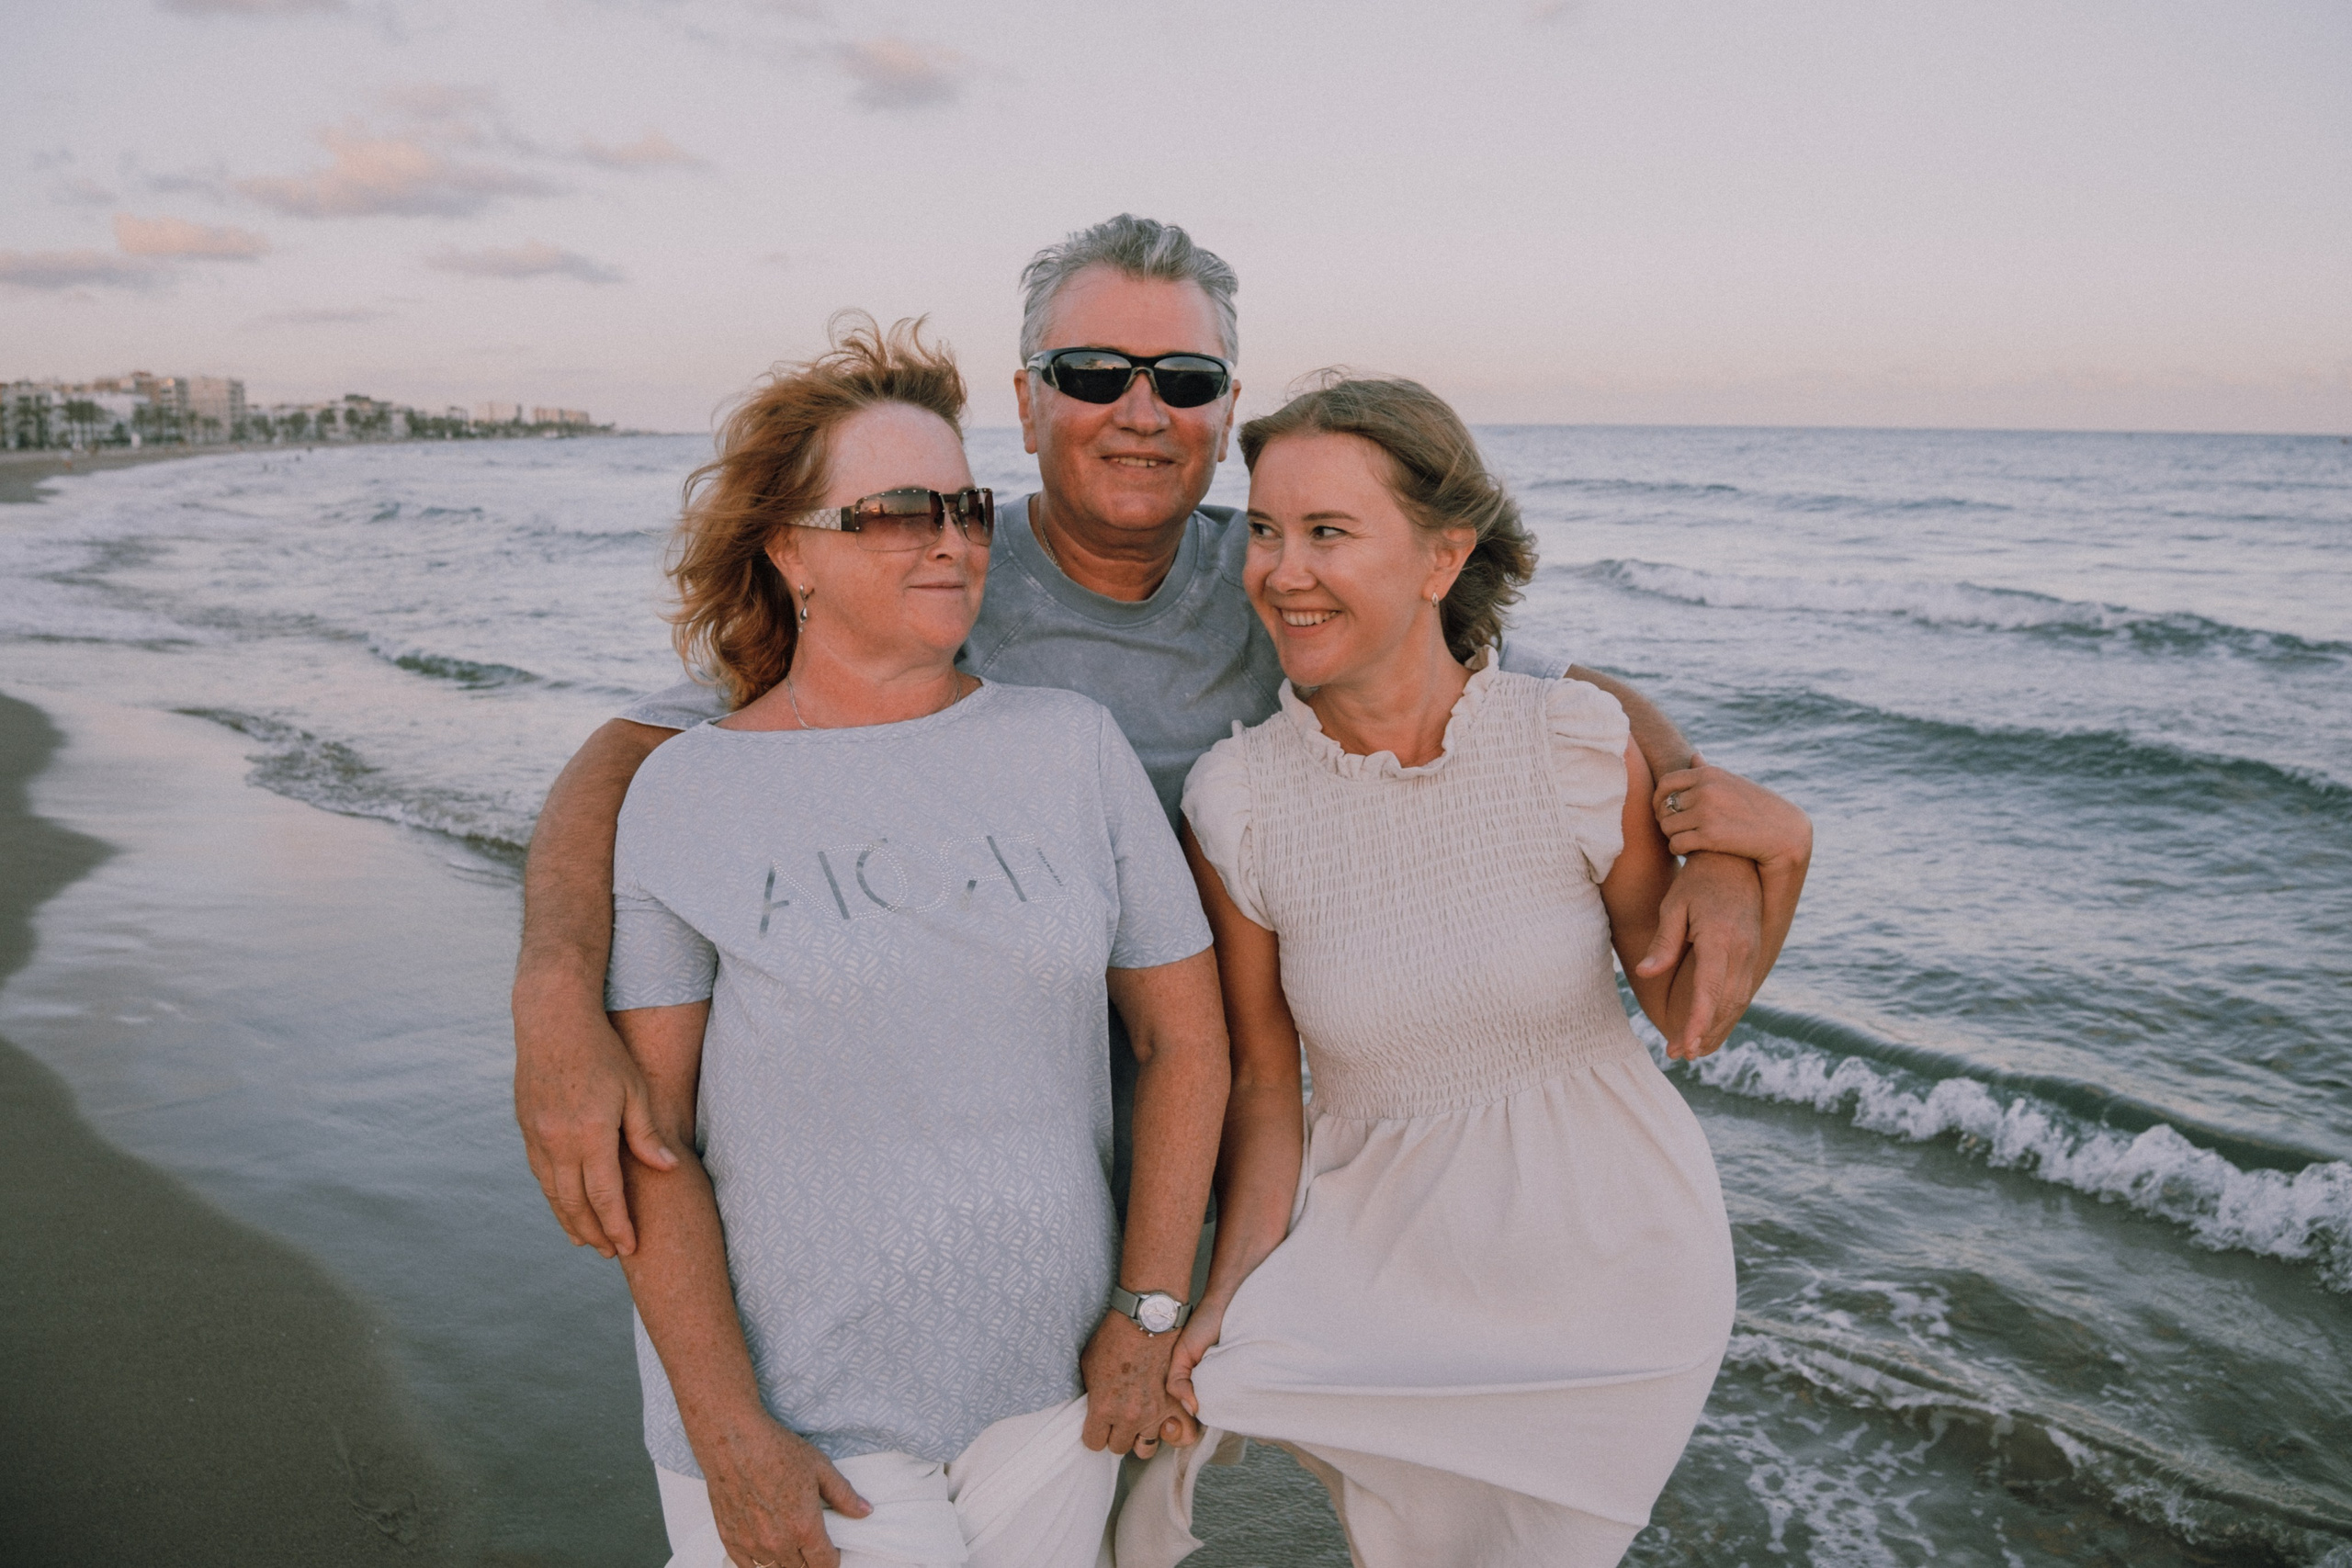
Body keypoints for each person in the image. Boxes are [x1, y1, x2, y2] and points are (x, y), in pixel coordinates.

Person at [511, 214, 1807, 1283]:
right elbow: (636, 757)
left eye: (1183, 382)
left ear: (1223, 407)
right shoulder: (932, 571)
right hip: (955, 1166)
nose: (1142, 410)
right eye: (1094, 374)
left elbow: (1544, 693)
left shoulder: (1286, 576)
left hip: (1214, 1166)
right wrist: (557, 1000)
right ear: (1027, 401)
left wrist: (1696, 834)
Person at [1119, 378, 1808, 1568]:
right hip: (1380, 1274)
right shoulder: (1236, 804)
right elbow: (1267, 1089)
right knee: (1185, 1475)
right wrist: (1225, 1296)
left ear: (1445, 557)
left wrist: (1784, 855)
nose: (1282, 572)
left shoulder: (1573, 745)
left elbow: (1690, 1019)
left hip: (1610, 1271)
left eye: (1329, 533)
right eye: (1267, 530)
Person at [601, 319, 1228, 1568]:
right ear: (792, 552)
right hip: (806, 1422)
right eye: (895, 512)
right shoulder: (687, 793)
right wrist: (729, 1429)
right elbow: (651, 1146)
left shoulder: (1073, 745)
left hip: (1054, 1397)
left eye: (964, 505)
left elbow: (1185, 1043)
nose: (948, 539)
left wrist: (1147, 1311)